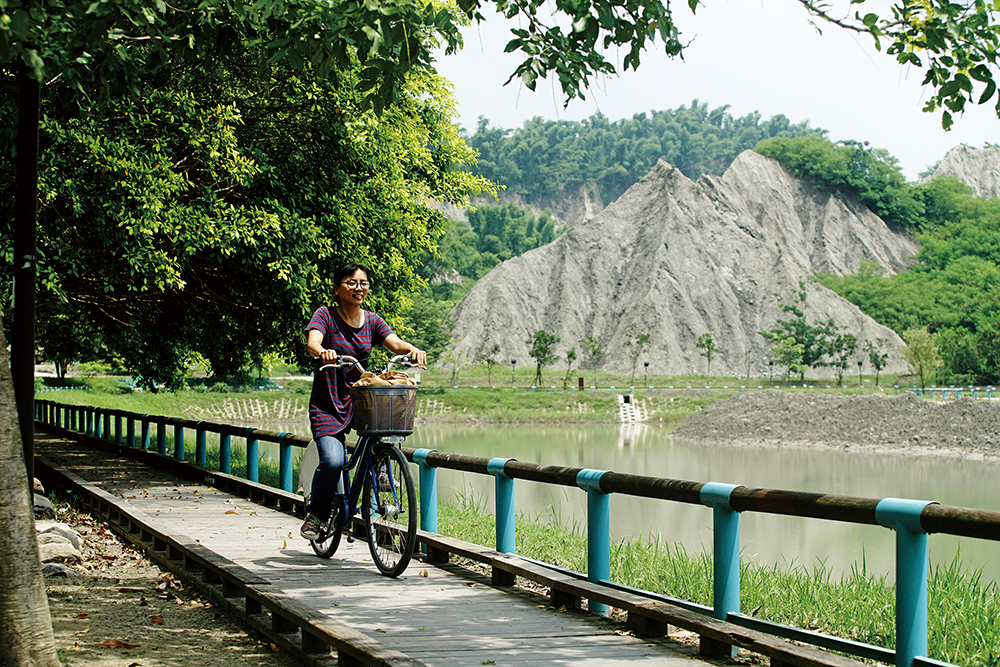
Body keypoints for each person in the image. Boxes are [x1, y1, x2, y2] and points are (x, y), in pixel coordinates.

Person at [300, 263, 426, 540]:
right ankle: (317, 514)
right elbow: (313, 342)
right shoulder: (326, 315)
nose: (359, 288)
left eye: (363, 283)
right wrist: (323, 352)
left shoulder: (372, 320)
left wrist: (413, 350)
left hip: (362, 400)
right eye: (351, 282)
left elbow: (394, 343)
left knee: (385, 428)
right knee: (333, 462)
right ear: (337, 289)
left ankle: (380, 469)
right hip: (328, 405)